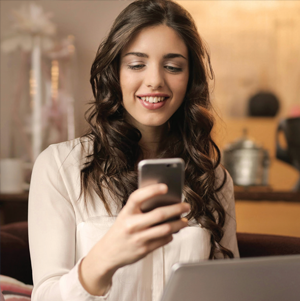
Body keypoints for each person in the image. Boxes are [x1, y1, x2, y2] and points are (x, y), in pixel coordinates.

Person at [28, 1, 239, 300]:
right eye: (137, 64)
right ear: (115, 73)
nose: (154, 80)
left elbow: (228, 290)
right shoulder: (60, 167)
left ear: (189, 78)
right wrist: (106, 256)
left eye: (173, 66)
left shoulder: (213, 179)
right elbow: (45, 295)